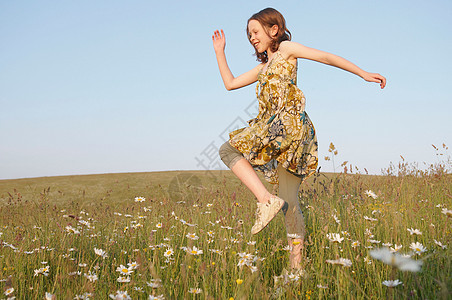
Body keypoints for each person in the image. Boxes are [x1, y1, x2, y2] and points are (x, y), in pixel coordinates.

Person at [212, 7, 386, 271]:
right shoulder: (263, 67)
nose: (252, 38)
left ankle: (265, 200)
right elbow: (230, 83)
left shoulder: (287, 50)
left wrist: (362, 73)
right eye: (249, 35)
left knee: (228, 150)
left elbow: (325, 57)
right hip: (287, 131)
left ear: (274, 30)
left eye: (256, 31)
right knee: (290, 203)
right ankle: (297, 271)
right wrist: (219, 52)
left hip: (287, 125)